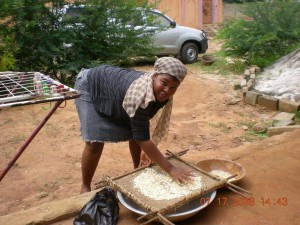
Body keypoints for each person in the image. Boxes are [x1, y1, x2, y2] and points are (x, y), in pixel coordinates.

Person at [74, 57, 192, 193]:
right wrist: (171, 169)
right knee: (95, 143)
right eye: (164, 83)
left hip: (115, 90)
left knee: (134, 132)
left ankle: (138, 172)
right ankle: (85, 186)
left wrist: (146, 150)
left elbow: (140, 125)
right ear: (154, 76)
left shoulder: (162, 95)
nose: (167, 90)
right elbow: (142, 138)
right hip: (91, 85)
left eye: (173, 87)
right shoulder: (139, 94)